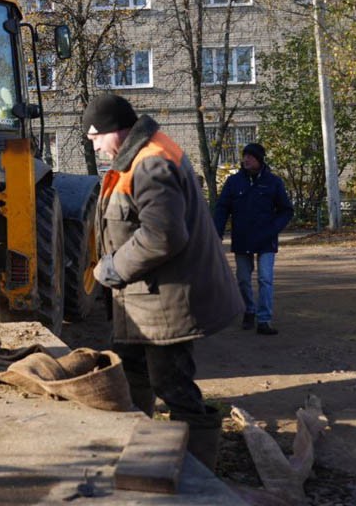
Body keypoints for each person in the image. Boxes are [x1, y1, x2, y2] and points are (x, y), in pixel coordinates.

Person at [84, 93, 243, 471]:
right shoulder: (137, 157)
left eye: (95, 136)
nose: (92, 143)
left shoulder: (152, 163)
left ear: (116, 131)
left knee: (173, 386)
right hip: (145, 301)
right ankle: (140, 452)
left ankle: (197, 474)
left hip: (168, 306)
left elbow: (163, 236)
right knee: (129, 371)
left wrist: (112, 268)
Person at [214, 142, 294, 336]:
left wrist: (274, 229)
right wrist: (217, 233)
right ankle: (249, 310)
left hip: (266, 239)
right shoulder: (234, 182)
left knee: (265, 279)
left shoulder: (273, 182)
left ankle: (264, 320)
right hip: (242, 238)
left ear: (259, 159)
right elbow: (222, 208)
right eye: (245, 156)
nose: (246, 159)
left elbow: (286, 210)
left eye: (250, 156)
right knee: (243, 279)